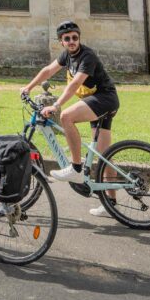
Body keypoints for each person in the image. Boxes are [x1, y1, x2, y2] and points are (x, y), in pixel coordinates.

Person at [20, 20, 120, 219]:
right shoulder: (67, 55)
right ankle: (111, 203)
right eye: (67, 39)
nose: (72, 41)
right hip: (98, 102)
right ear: (61, 42)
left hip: (105, 99)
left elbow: (75, 84)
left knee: (66, 116)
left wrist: (56, 106)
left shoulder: (87, 56)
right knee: (104, 155)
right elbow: (48, 71)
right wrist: (28, 87)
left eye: (75, 37)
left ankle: (75, 168)